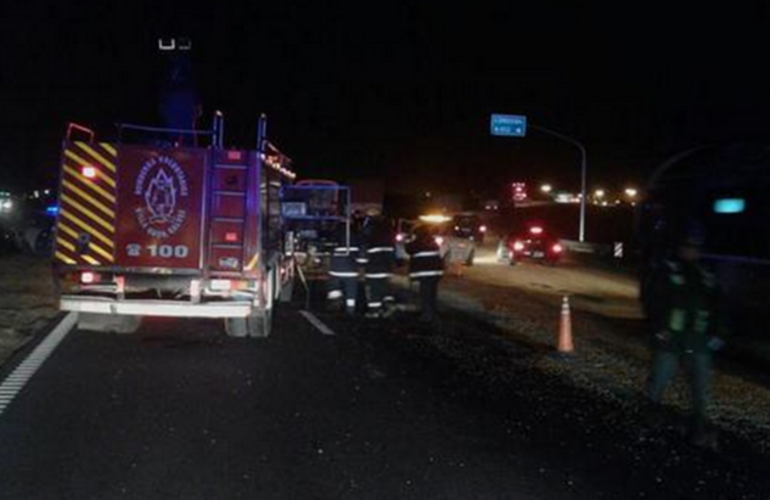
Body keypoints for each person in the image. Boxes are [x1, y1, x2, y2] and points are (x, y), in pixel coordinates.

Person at [644, 228, 726, 449]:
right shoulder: (667, 270)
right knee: (660, 377)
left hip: (698, 340)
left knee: (700, 384)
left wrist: (718, 333)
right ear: (680, 248)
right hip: (670, 338)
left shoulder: (705, 274)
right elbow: (652, 299)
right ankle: (651, 410)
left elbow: (718, 305)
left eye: (695, 248)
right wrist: (659, 328)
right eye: (688, 247)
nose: (691, 251)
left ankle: (698, 422)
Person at [406, 227, 444, 322]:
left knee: (425, 295)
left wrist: (408, 240)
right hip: (436, 273)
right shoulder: (432, 242)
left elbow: (408, 249)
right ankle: (433, 314)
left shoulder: (417, 242)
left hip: (425, 273)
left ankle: (426, 316)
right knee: (432, 294)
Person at [361, 217, 396, 318]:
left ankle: (374, 311)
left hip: (374, 268)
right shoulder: (388, 234)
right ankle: (386, 308)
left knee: (374, 290)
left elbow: (364, 251)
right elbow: (394, 253)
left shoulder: (369, 235)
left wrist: (361, 264)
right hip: (386, 268)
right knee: (384, 287)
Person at [327, 223, 361, 316]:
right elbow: (361, 256)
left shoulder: (335, 238)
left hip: (335, 270)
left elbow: (328, 249)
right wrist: (361, 264)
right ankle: (350, 310)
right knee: (351, 291)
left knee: (333, 286)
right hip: (351, 271)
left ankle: (335, 303)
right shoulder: (356, 239)